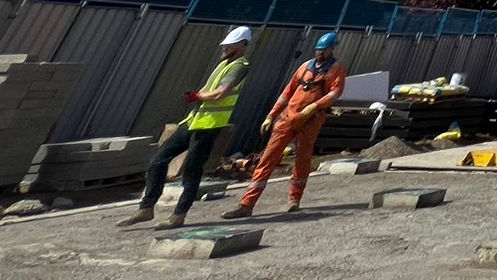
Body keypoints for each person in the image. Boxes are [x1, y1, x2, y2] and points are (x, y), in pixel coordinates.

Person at [118, 26, 253, 230]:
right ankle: (146, 209)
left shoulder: (240, 65)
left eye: (229, 45)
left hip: (208, 126)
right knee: (158, 160)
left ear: (242, 45)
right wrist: (198, 97)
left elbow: (221, 93)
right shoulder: (224, 64)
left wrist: (197, 97)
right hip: (192, 122)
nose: (224, 48)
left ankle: (179, 215)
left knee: (191, 170)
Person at [227, 31, 347, 218]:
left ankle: (294, 199)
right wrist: (271, 115)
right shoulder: (304, 67)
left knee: (302, 158)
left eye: (323, 50)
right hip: (288, 118)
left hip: (311, 120)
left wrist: (314, 106)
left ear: (332, 49)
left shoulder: (336, 69)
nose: (319, 53)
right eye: (318, 50)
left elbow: (335, 93)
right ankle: (246, 204)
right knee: (268, 159)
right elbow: (287, 93)